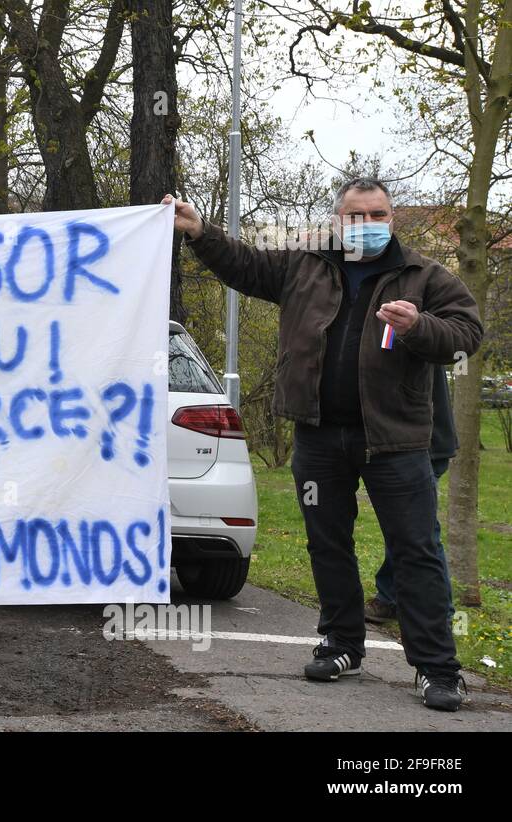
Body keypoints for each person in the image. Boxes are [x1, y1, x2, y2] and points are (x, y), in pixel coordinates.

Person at [164, 178, 483, 712]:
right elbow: (244, 266)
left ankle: (437, 669)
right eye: (355, 216)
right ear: (338, 220)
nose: (366, 224)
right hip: (317, 436)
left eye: (377, 214)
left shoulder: (425, 275)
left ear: (391, 218)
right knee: (328, 544)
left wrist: (419, 326)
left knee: (416, 552)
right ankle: (341, 644)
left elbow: (466, 335)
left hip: (396, 441)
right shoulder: (304, 264)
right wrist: (199, 232)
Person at [366, 364, 457, 625]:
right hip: (414, 441)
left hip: (422, 444)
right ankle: (390, 597)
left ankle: (440, 613)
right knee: (407, 528)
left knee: (423, 532)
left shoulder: (412, 332)